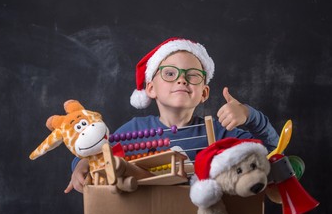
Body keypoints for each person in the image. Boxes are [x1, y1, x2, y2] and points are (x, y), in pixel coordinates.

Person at [65, 37, 279, 194]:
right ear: (150, 89)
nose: (181, 80)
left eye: (193, 76)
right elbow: (96, 155)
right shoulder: (134, 131)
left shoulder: (218, 131)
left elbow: (271, 153)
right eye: (169, 73)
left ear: (204, 93)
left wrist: (250, 115)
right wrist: (82, 164)